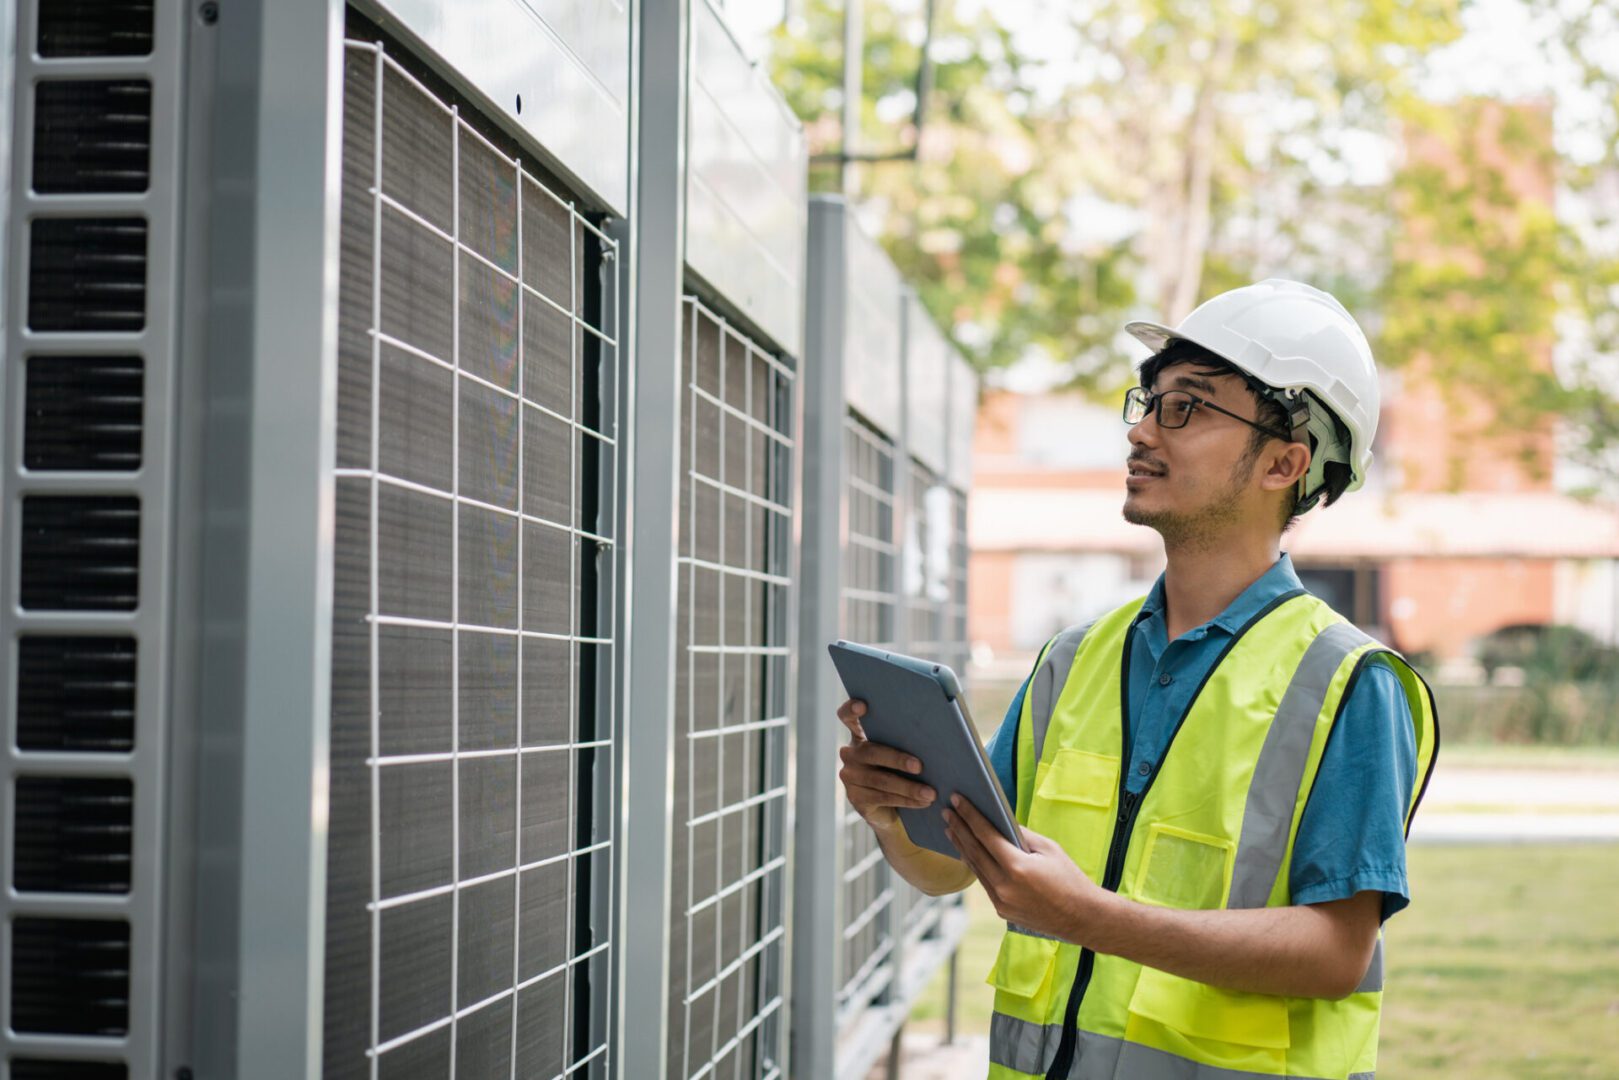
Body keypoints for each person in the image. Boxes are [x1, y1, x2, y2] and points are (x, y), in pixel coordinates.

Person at [835, 279, 1438, 1080]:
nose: (1142, 431)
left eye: (1186, 407)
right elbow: (949, 866)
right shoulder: (1072, 660)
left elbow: (1334, 953)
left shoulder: (1348, 684)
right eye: (1147, 402)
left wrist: (1089, 917)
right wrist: (888, 814)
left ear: (1284, 462)